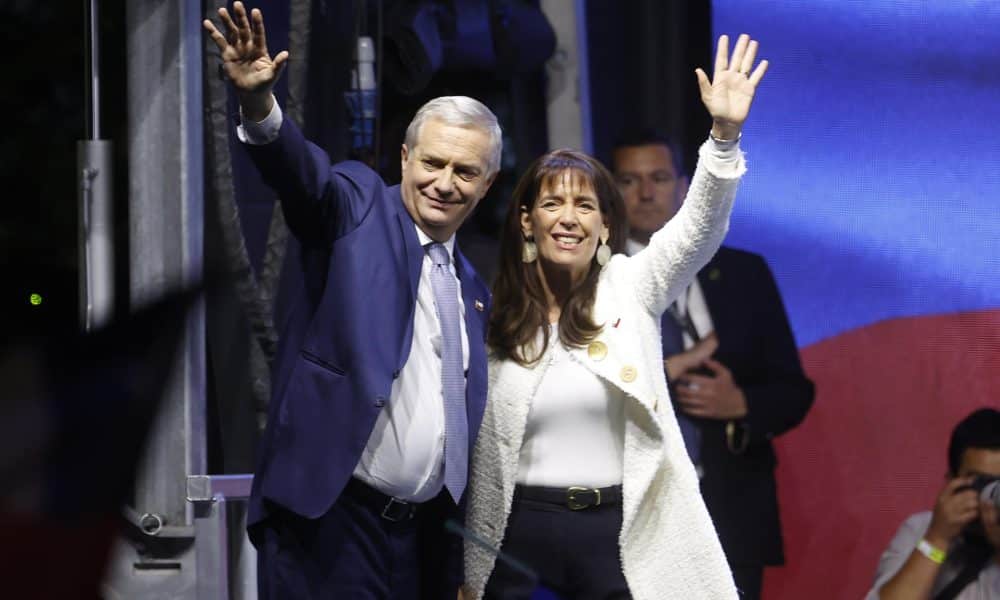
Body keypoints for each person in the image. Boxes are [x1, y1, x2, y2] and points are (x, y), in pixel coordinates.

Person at [204, 3, 499, 598]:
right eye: (433, 163)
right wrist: (260, 105)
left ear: (487, 184)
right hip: (329, 526)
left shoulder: (472, 287)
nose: (445, 183)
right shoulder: (358, 206)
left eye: (465, 172)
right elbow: (302, 177)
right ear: (405, 158)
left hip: (419, 541)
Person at [463, 34, 768, 599]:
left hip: (615, 534)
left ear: (605, 225)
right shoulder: (490, 309)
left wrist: (723, 138)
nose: (568, 218)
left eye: (585, 205)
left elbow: (697, 230)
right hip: (514, 536)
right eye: (552, 203)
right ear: (527, 221)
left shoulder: (632, 286)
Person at [611, 130, 815, 598]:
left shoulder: (745, 274)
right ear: (611, 190)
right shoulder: (595, 278)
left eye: (659, 178)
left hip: (731, 511)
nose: (646, 193)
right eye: (629, 180)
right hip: (633, 508)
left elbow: (793, 391)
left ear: (684, 186)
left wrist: (740, 404)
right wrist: (670, 370)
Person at [867, 408, 1000, 600]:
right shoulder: (922, 530)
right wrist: (938, 539)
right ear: (951, 480)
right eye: (980, 482)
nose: (989, 495)